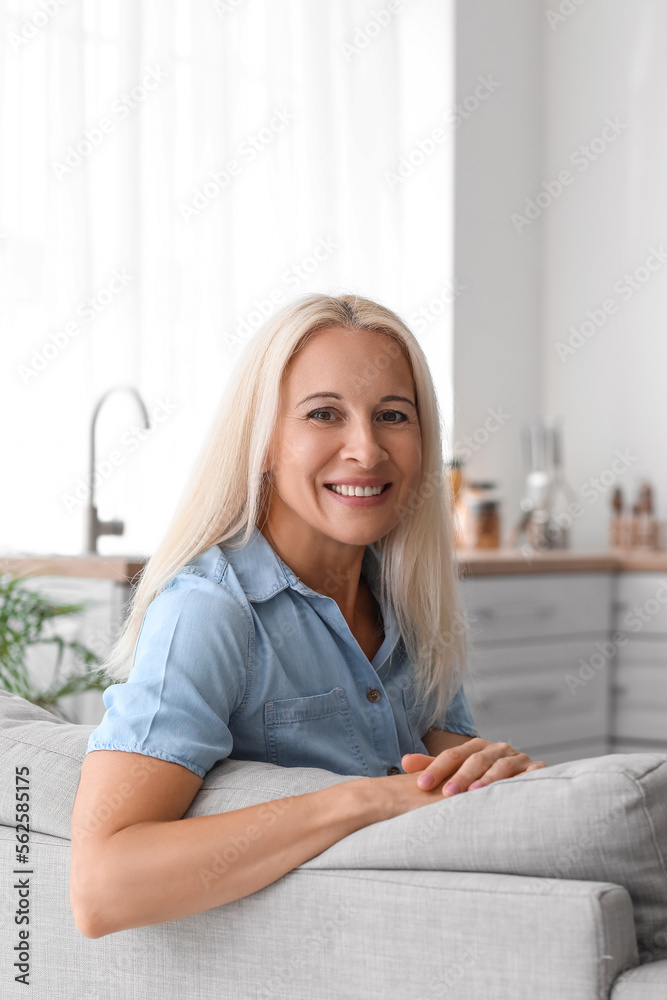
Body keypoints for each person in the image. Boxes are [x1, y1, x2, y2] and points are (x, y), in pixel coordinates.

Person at [70, 292, 545, 939]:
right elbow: (102, 887)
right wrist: (362, 797)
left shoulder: (408, 601)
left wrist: (503, 777)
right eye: (324, 413)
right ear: (262, 441)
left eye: (392, 415)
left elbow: (449, 771)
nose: (366, 449)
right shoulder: (209, 611)